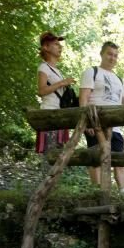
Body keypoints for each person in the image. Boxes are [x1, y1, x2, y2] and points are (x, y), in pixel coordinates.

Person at [79, 41, 124, 193]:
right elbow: (84, 99)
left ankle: (123, 193)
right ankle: (98, 192)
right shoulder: (91, 72)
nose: (112, 58)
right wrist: (87, 123)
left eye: (115, 55)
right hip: (96, 123)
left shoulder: (119, 80)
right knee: (96, 160)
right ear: (102, 54)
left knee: (119, 161)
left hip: (116, 127)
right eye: (109, 54)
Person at [36, 31, 76, 161]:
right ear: (46, 47)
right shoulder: (43, 67)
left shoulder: (57, 71)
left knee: (58, 157)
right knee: (49, 157)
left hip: (59, 115)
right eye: (56, 44)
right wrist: (63, 83)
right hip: (49, 115)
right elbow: (41, 91)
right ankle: (46, 181)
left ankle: (52, 181)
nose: (60, 47)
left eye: (60, 44)